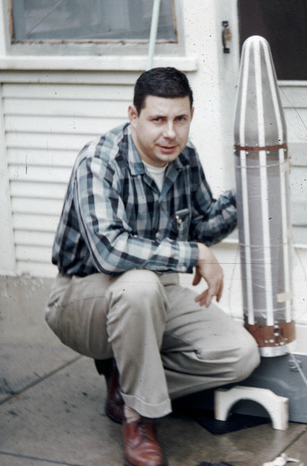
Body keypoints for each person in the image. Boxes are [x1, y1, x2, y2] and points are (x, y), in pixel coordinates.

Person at [45, 67, 260, 466]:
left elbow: (202, 225)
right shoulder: (99, 160)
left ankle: (129, 384)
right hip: (82, 297)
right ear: (133, 115)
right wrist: (194, 254)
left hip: (153, 292)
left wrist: (254, 185)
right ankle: (139, 418)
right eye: (157, 119)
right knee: (140, 285)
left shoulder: (185, 158)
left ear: (190, 115)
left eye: (180, 119)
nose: (170, 133)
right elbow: (110, 252)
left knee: (240, 353)